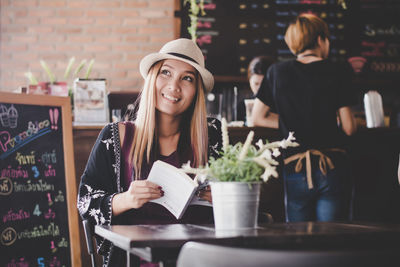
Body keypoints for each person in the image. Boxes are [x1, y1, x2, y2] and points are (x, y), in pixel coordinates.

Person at [77, 38, 222, 266]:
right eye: (166, 72)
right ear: (153, 77)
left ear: (197, 92)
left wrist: (226, 197)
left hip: (200, 258)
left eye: (187, 78)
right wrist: (126, 199)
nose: (174, 86)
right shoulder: (115, 136)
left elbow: (240, 206)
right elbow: (86, 202)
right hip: (134, 259)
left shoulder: (212, 136)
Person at [252, 14, 357, 222]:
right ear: (320, 40)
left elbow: (257, 118)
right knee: (332, 237)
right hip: (332, 167)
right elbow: (349, 127)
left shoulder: (276, 72)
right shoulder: (339, 70)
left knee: (299, 239)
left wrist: (292, 124)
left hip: (295, 166)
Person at [237, 55, 274, 122]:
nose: (260, 89)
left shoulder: (281, 105)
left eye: (264, 85)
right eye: (256, 84)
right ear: (249, 81)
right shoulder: (242, 106)